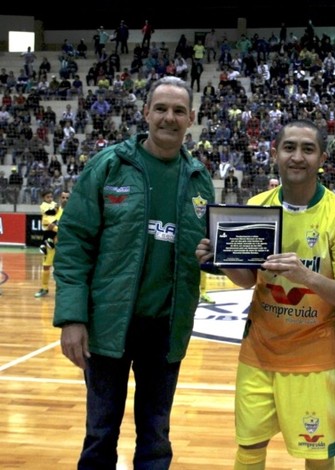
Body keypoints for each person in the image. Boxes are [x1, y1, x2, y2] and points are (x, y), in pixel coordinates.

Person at [52, 76, 215, 469]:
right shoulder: (109, 166)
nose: (169, 118)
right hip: (109, 325)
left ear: (191, 118)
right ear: (145, 113)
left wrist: (213, 254)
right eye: (161, 108)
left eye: (179, 110)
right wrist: (72, 317)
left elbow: (204, 251)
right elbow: (74, 242)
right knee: (101, 432)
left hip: (166, 328)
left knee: (156, 435)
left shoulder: (200, 181)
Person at [196, 119, 335, 470]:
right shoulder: (256, 206)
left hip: (314, 358)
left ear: (322, 158)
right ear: (275, 153)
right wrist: (220, 260)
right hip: (258, 352)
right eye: (289, 147)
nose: (297, 157)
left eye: (308, 149)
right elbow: (246, 280)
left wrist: (306, 276)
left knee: (318, 456)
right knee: (249, 447)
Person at [35, 190, 70, 298]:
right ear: (60, 198)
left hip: (65, 245)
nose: (65, 200)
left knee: (64, 268)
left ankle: (64, 290)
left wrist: (55, 228)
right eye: (63, 197)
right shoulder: (54, 210)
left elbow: (68, 229)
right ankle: (44, 288)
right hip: (51, 245)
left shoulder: (72, 213)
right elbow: (47, 224)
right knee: (46, 266)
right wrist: (56, 228)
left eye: (67, 198)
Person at [38, 189, 59, 256]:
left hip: (53, 221)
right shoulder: (43, 205)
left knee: (47, 234)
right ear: (43, 198)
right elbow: (50, 212)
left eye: (51, 197)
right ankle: (49, 241)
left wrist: (56, 209)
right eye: (48, 197)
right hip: (47, 222)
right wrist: (55, 210)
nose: (50, 199)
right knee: (54, 230)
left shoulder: (53, 203)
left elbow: (58, 207)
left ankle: (43, 246)